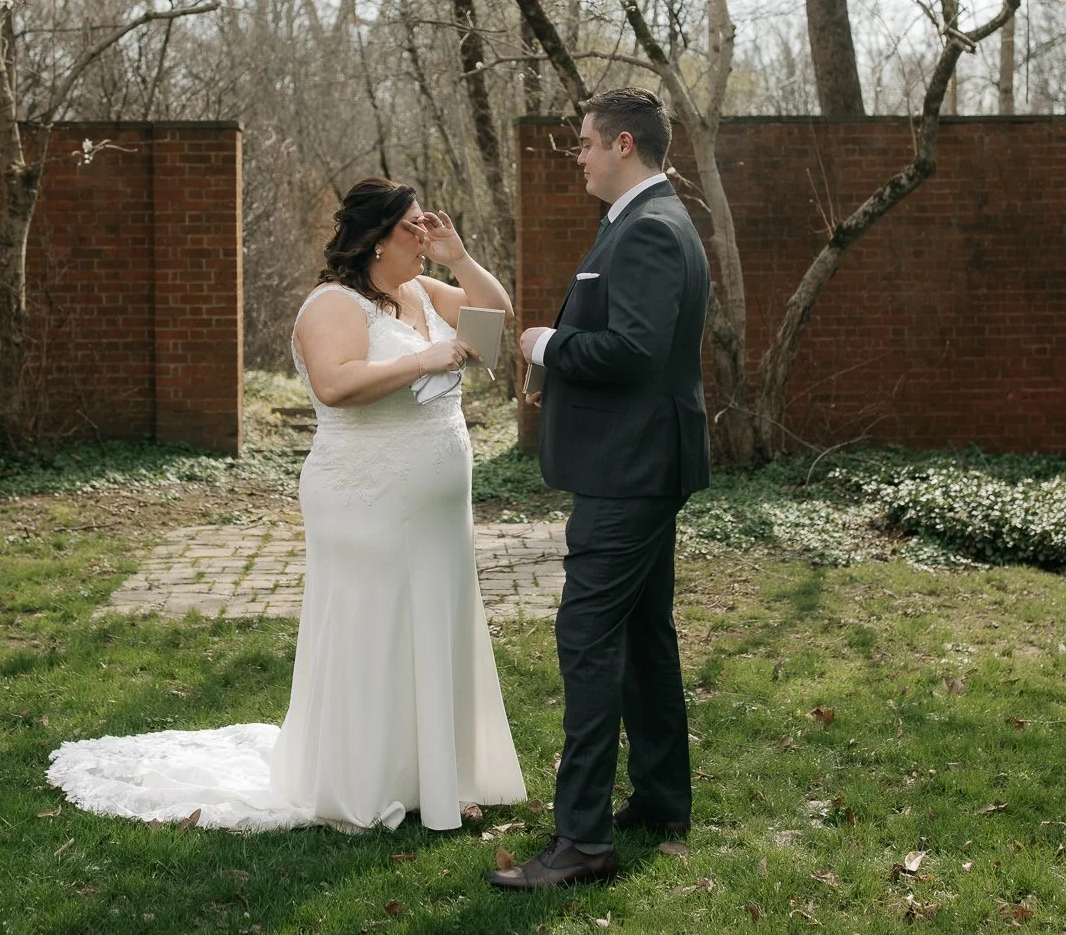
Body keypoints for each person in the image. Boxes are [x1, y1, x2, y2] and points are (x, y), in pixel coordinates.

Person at [47, 179, 526, 833]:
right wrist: (425, 358)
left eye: (427, 225)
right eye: (414, 226)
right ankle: (368, 779)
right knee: (377, 626)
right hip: (367, 495)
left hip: (439, 501)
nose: (425, 234)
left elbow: (495, 319)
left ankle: (432, 774)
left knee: (433, 624)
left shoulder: (419, 290)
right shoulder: (333, 303)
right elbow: (334, 384)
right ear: (378, 237)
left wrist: (459, 257)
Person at [489, 87, 711, 890]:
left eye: (584, 143)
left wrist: (548, 343)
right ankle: (659, 799)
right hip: (641, 459)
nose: (577, 156)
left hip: (629, 472)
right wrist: (565, 370)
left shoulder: (650, 228)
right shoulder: (643, 220)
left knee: (587, 639)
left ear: (623, 143)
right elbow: (624, 345)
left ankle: (581, 841)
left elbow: (635, 350)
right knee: (646, 632)